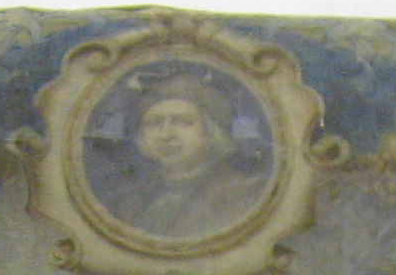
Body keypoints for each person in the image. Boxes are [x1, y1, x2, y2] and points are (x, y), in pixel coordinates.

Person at [95, 70, 268, 241]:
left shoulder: (244, 193)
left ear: (211, 132)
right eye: (154, 123)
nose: (166, 135)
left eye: (182, 122)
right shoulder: (127, 201)